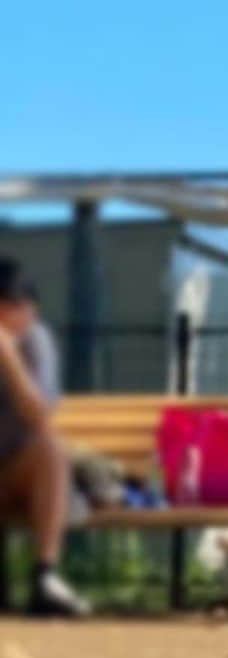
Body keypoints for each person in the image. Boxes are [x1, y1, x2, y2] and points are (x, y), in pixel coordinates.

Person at [0, 257, 90, 616]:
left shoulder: (35, 341)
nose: (22, 317)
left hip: (16, 470)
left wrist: (9, 359)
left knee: (50, 448)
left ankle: (44, 576)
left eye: (23, 308)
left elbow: (40, 417)